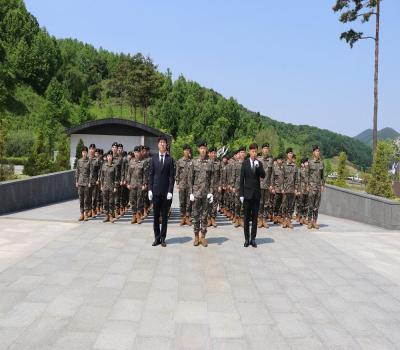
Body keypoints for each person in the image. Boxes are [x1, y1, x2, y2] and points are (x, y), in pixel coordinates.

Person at [148, 136, 175, 247]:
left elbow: (171, 177)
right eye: (161, 142)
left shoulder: (170, 159)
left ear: (166, 145)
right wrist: (150, 189)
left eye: (164, 142)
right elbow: (151, 175)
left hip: (165, 193)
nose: (162, 144)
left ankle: (163, 238)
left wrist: (170, 191)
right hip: (155, 192)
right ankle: (157, 238)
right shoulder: (153, 158)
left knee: (164, 217)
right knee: (155, 217)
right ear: (158, 145)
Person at [239, 143, 266, 247]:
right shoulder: (245, 163)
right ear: (249, 152)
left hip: (256, 195)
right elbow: (241, 180)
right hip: (247, 195)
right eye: (252, 151)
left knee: (255, 218)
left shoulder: (259, 163)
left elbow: (263, 175)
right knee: (246, 218)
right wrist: (241, 194)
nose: (254, 153)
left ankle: (253, 239)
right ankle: (246, 239)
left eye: (255, 151)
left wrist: (258, 167)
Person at [188, 140, 213, 247]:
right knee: (196, 215)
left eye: (204, 148)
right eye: (201, 148)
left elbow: (212, 179)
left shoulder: (210, 162)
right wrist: (191, 193)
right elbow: (190, 178)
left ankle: (203, 237)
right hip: (196, 194)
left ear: (206, 150)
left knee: (204, 215)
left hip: (206, 194)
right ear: (198, 149)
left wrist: (211, 192)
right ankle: (196, 237)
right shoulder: (194, 162)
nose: (203, 150)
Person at [307, 145, 325, 229]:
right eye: (316, 151)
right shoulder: (310, 162)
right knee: (311, 205)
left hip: (318, 187)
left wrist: (322, 185)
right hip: (311, 186)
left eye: (319, 151)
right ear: (313, 152)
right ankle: (309, 221)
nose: (318, 152)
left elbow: (322, 175)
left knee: (316, 205)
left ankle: (315, 221)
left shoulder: (322, 163)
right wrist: (307, 185)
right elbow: (307, 175)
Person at [127, 146, 146, 224]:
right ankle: (134, 215)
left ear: (140, 153)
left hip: (140, 184)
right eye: (136, 152)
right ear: (134, 153)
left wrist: (144, 184)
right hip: (132, 184)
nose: (137, 154)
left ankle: (138, 215)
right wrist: (128, 183)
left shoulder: (143, 162)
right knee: (132, 200)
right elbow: (129, 173)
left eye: (138, 152)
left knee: (140, 200)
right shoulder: (131, 162)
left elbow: (145, 174)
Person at [176, 144, 192, 226]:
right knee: (182, 201)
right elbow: (177, 173)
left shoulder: (192, 162)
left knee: (189, 202)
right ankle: (182, 217)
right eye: (185, 150)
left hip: (190, 185)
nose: (187, 151)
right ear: (183, 151)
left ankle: (187, 217)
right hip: (182, 184)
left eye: (188, 150)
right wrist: (177, 183)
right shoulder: (179, 161)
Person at [257, 143, 273, 228]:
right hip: (259, 185)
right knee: (260, 203)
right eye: (264, 148)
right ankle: (259, 219)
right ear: (262, 150)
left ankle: (264, 219)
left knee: (266, 203)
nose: (266, 150)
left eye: (267, 148)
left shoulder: (271, 160)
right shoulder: (258, 159)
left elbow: (272, 173)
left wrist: (271, 184)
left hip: (267, 185)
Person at [281, 148, 298, 229]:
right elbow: (281, 178)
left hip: (292, 189)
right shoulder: (284, 165)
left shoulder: (295, 166)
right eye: (289, 153)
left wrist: (296, 188)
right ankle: (284, 220)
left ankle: (289, 220)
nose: (290, 155)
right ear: (287, 155)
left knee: (290, 206)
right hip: (285, 188)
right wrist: (282, 188)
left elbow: (296, 179)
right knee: (284, 205)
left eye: (291, 153)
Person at [100, 151, 117, 223]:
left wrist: (115, 186)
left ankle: (111, 216)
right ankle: (106, 215)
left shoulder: (114, 166)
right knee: (105, 201)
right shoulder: (103, 165)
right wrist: (101, 185)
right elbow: (102, 176)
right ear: (106, 157)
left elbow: (116, 177)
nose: (109, 157)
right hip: (105, 186)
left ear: (112, 157)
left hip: (112, 186)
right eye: (108, 156)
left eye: (111, 156)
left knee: (111, 201)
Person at [75, 146, 91, 221]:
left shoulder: (89, 161)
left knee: (86, 199)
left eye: (85, 152)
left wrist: (90, 182)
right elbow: (77, 171)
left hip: (87, 182)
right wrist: (76, 181)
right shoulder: (79, 161)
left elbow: (91, 172)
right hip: (80, 182)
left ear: (87, 153)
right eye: (83, 152)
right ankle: (81, 214)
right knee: (81, 199)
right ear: (82, 153)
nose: (84, 153)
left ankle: (86, 214)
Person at [208, 146, 221, 228]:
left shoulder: (218, 163)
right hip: (207, 186)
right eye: (212, 153)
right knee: (208, 203)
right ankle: (208, 218)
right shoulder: (206, 162)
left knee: (215, 203)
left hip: (216, 186)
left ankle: (213, 218)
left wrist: (220, 185)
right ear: (209, 154)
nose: (213, 154)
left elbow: (221, 175)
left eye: (215, 153)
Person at [270, 154, 285, 224]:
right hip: (276, 189)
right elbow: (272, 178)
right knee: (275, 203)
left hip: (283, 189)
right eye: (279, 159)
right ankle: (274, 216)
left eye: (281, 159)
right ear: (277, 160)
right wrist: (272, 187)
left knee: (282, 204)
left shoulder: (284, 168)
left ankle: (279, 217)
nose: (280, 161)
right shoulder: (274, 168)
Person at [297, 157, 309, 225]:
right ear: (302, 164)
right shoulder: (300, 170)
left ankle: (304, 217)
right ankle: (300, 216)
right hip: (301, 189)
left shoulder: (309, 170)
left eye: (307, 162)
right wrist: (298, 190)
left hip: (307, 190)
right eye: (306, 162)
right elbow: (298, 180)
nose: (307, 163)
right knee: (300, 204)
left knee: (306, 204)